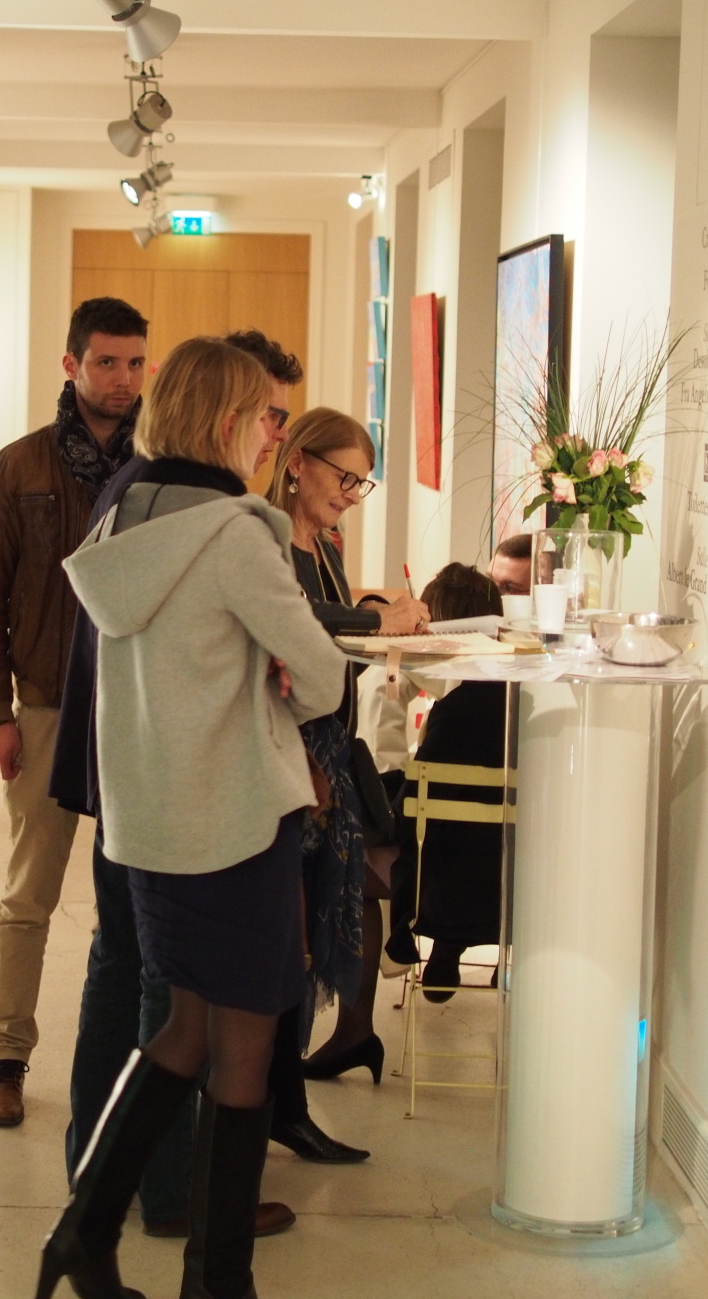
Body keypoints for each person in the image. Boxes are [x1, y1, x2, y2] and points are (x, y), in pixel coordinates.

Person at [41, 337, 345, 1299]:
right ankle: (217, 1282)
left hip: (150, 818)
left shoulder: (122, 515)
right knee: (242, 1047)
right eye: (265, 418)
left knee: (181, 1029)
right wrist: (280, 677)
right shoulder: (233, 533)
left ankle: (83, 1235)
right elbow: (323, 677)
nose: (273, 437)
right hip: (235, 817)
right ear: (225, 423)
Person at [0, 296, 148, 1127]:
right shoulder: (21, 465)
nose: (121, 379)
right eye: (106, 362)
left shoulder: (159, 464)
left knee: (133, 899)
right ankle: (6, 1058)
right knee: (28, 896)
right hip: (43, 705)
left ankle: (129, 1062)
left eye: (134, 363)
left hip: (135, 707)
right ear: (71, 365)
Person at [265, 412, 430, 1091]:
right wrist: (374, 618)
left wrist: (389, 626)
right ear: (297, 462)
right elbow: (293, 617)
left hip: (331, 743)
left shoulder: (326, 544)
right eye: (344, 478)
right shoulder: (265, 537)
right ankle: (270, 1084)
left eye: (361, 483)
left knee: (341, 892)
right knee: (291, 921)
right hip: (286, 747)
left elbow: (331, 631)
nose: (351, 495)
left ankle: (331, 1049)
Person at [385, 563, 508, 1001]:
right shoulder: (516, 702)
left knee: (373, 840)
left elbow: (412, 807)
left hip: (435, 888)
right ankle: (454, 948)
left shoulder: (455, 710)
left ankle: (412, 947)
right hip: (507, 882)